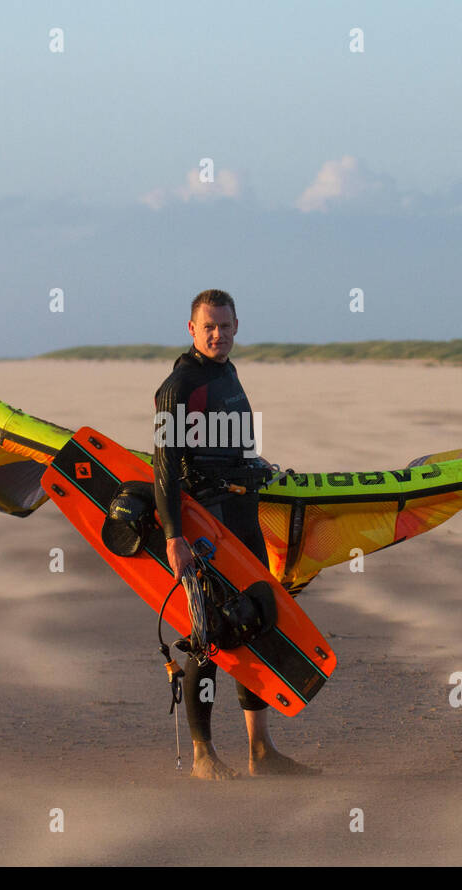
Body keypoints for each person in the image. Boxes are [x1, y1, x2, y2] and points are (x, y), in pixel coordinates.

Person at [153, 289, 318, 780]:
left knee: (252, 623)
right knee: (207, 634)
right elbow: (165, 468)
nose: (217, 335)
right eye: (208, 327)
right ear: (190, 329)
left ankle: (260, 751)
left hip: (241, 516)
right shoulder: (177, 386)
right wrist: (174, 537)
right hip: (206, 528)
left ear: (237, 326)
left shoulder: (227, 373)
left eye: (225, 326)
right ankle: (203, 755)